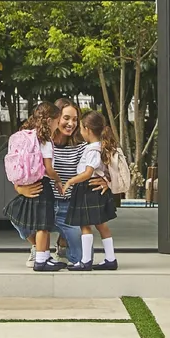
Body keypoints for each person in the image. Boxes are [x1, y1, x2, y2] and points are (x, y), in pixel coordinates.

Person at [62, 111, 121, 270]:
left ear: (87, 129)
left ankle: (86, 261)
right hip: (94, 190)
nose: (79, 131)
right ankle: (110, 259)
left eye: (81, 127)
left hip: (88, 190)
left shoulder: (93, 150)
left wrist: (69, 182)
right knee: (102, 226)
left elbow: (87, 173)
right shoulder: (99, 146)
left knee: (85, 226)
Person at [3, 105, 60, 271]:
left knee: (34, 222)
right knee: (43, 225)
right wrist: (58, 180)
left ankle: (43, 257)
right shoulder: (45, 140)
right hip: (42, 185)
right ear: (49, 121)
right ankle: (42, 261)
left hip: (29, 183)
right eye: (56, 121)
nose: (57, 125)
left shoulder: (27, 136)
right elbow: (49, 169)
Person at [44, 99, 87, 266]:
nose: (71, 123)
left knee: (81, 258)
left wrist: (104, 180)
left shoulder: (81, 146)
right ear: (55, 119)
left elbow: (92, 169)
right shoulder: (42, 143)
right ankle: (37, 248)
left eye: (75, 119)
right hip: (44, 203)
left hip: (67, 207)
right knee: (16, 214)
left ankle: (63, 244)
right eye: (66, 118)